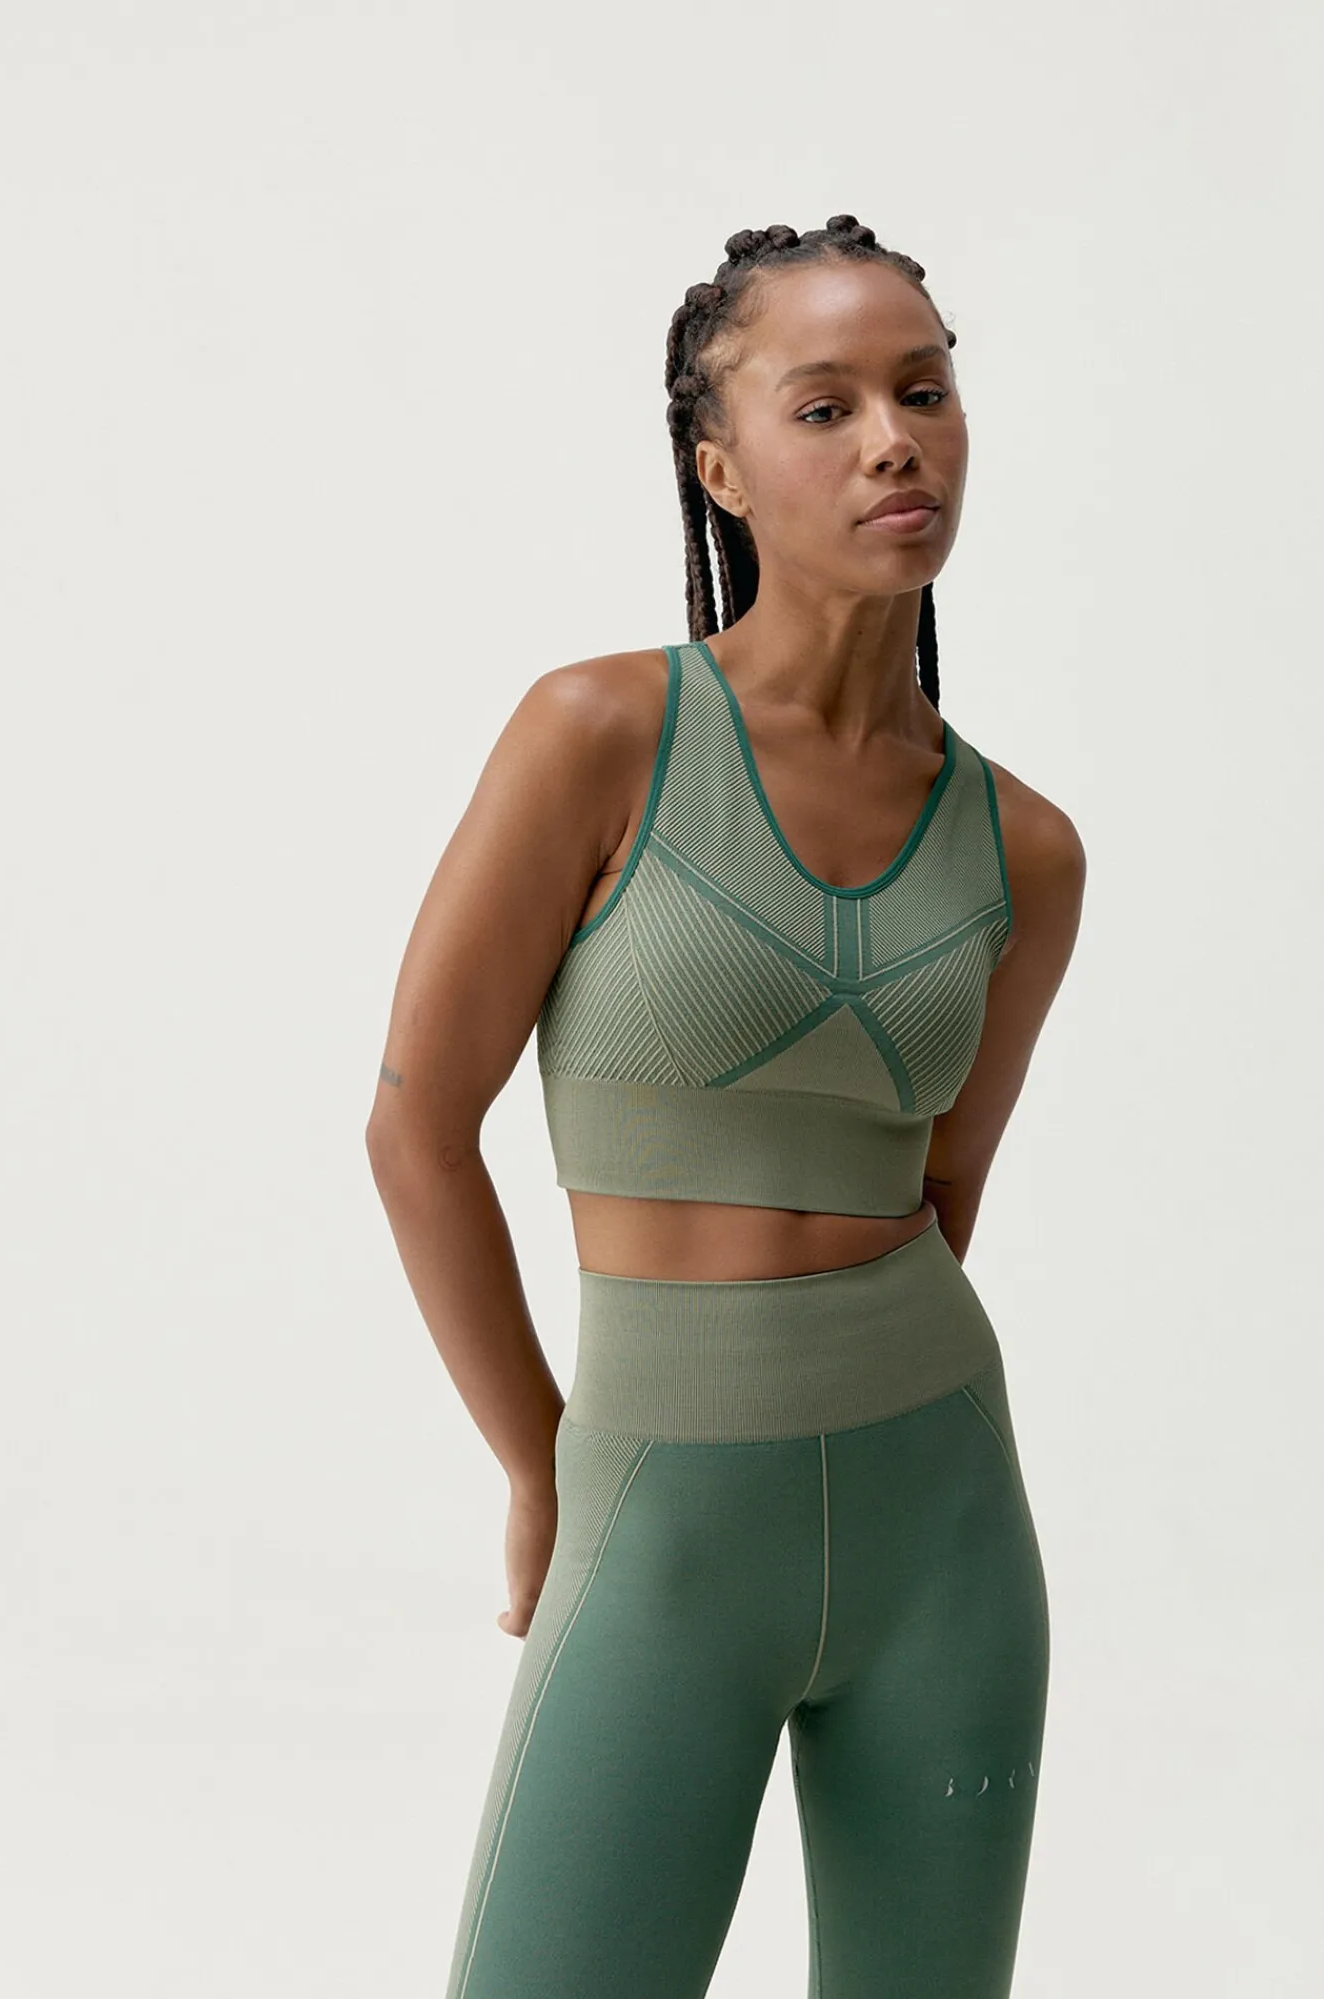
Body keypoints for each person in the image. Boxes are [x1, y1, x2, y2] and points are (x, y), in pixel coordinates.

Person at [365, 213, 1086, 1999]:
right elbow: (415, 1126)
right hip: (658, 1512)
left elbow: (943, 1195)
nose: (894, 441)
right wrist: (541, 1459)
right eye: (824, 406)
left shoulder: (1027, 848)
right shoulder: (600, 733)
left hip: (944, 1521)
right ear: (722, 468)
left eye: (925, 392)